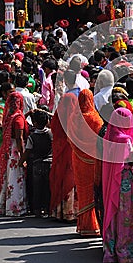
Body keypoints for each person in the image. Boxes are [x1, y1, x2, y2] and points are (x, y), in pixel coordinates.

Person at [102, 107, 133, 263]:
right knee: (127, 216)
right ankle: (125, 250)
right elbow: (130, 160)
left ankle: (112, 248)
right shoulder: (125, 139)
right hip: (125, 181)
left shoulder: (110, 136)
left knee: (115, 214)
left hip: (113, 182)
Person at [68, 89, 103, 236]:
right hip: (93, 160)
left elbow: (69, 139)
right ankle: (93, 225)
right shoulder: (95, 119)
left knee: (83, 191)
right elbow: (100, 140)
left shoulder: (73, 119)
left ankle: (84, 226)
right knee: (93, 190)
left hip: (78, 158)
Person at [0, 92, 29, 216]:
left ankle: (6, 206)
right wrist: (23, 155)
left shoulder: (9, 116)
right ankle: (16, 207)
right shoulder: (18, 117)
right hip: (16, 150)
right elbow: (19, 137)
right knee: (17, 178)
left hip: (9, 149)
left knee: (9, 178)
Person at [18, 110, 53, 217]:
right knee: (48, 188)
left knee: (37, 188)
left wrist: (21, 162)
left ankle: (37, 209)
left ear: (34, 123)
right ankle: (47, 208)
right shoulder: (51, 133)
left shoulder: (32, 137)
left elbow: (27, 151)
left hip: (37, 164)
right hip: (50, 163)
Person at [50, 93, 78, 221]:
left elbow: (54, 130)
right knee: (71, 180)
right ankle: (71, 211)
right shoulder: (76, 117)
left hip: (59, 150)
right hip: (71, 151)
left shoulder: (58, 114)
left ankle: (59, 211)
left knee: (59, 178)